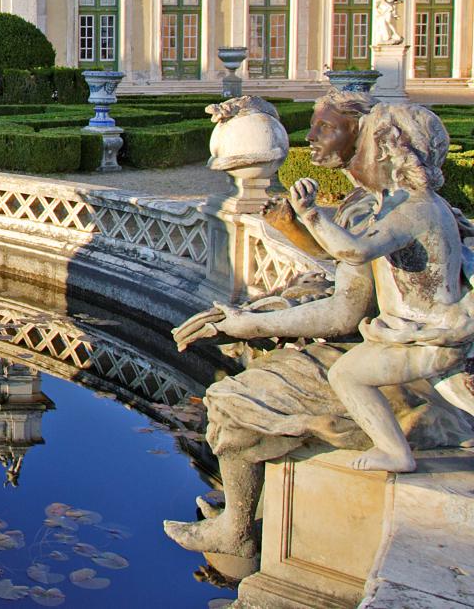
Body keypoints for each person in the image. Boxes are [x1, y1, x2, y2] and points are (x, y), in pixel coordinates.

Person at [167, 99, 474, 555]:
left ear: (375, 144)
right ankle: (249, 507)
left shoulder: (393, 211)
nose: (309, 137)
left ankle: (236, 529)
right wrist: (253, 318)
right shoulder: (392, 206)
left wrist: (247, 323)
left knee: (232, 399)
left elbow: (343, 313)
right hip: (413, 346)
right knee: (274, 369)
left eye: (325, 127)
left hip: (419, 365)